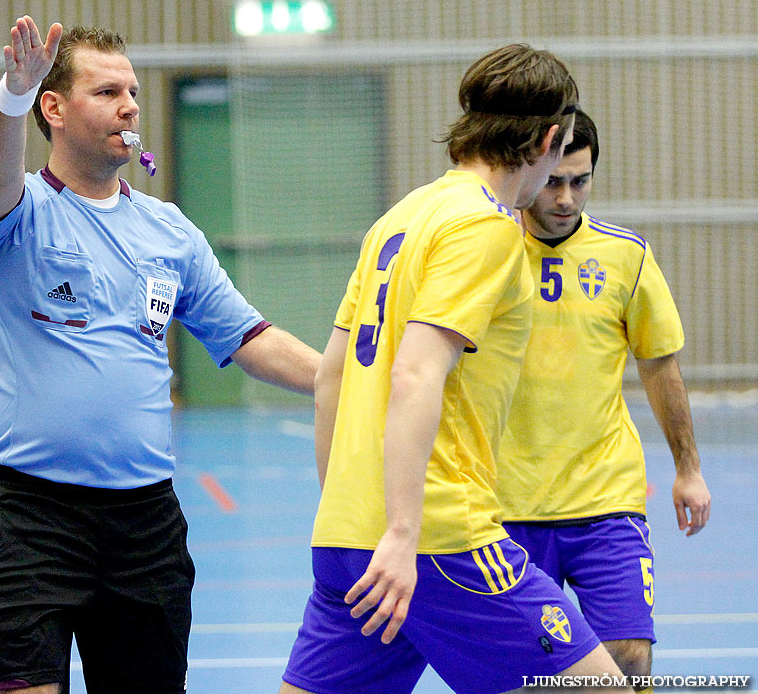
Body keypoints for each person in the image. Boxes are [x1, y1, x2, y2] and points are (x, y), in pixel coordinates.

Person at [0, 17, 320, 694]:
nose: (128, 105)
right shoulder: (21, 211)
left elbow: (248, 338)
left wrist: (352, 382)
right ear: (54, 108)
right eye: (106, 92)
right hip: (28, 513)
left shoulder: (168, 230)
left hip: (143, 520)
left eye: (131, 91)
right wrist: (12, 95)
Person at [281, 45, 631, 694]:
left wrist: (349, 517)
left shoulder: (401, 218)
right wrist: (401, 531)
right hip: (440, 538)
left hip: (345, 537)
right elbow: (416, 373)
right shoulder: (487, 225)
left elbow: (332, 375)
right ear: (551, 138)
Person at [496, 109, 711, 690]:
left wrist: (688, 470)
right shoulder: (485, 250)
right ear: (530, 169)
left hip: (604, 495)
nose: (566, 198)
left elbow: (659, 364)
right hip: (504, 502)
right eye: (554, 181)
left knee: (628, 657)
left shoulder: (626, 256)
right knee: (525, 673)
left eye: (581, 181)